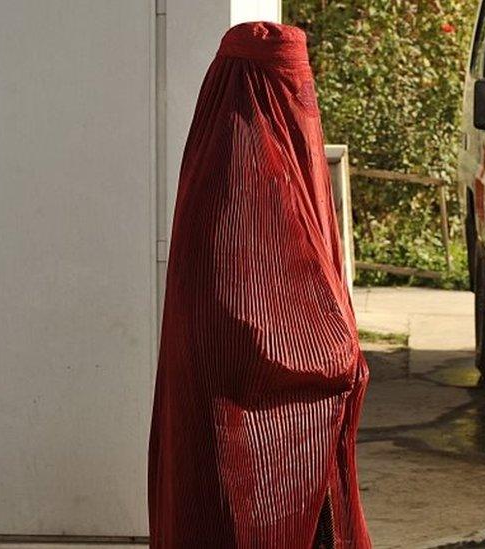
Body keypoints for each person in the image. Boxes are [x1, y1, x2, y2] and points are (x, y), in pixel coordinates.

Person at [148, 22, 371, 549]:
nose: (303, 101)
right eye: (291, 86)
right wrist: (339, 361)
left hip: (215, 391)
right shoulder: (246, 167)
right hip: (233, 392)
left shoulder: (222, 157)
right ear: (268, 89)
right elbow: (242, 306)